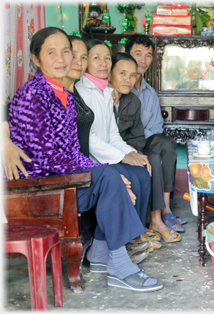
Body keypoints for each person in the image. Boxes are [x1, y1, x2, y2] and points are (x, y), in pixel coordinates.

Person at [6, 27, 162, 292]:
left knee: (113, 176)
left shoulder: (63, 95)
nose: (61, 58)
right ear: (35, 59)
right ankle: (120, 266)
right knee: (110, 178)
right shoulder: (33, 95)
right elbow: (46, 158)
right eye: (51, 52)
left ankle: (103, 253)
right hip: (36, 189)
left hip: (60, 181)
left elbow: (74, 151)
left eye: (65, 51)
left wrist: (101, 171)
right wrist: (102, 175)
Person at [75, 39, 156, 239]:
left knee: (143, 173)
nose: (103, 63)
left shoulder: (106, 92)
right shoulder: (81, 92)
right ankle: (122, 239)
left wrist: (133, 154)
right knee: (131, 178)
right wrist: (121, 157)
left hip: (107, 156)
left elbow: (113, 135)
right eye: (96, 58)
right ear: (85, 62)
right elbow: (89, 138)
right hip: (94, 160)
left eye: (107, 58)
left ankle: (136, 234)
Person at [109, 51, 181, 242]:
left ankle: (156, 219)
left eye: (132, 75)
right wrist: (125, 154)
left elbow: (139, 137)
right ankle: (140, 226)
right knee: (145, 163)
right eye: (122, 73)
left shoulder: (133, 101)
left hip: (128, 149)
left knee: (154, 158)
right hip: (108, 155)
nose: (128, 80)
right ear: (109, 73)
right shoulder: (101, 98)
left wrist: (132, 151)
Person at [124, 34, 186, 228]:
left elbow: (157, 126)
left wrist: (140, 140)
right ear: (127, 55)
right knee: (153, 158)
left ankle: (166, 208)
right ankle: (155, 217)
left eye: (148, 55)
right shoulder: (121, 87)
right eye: (138, 54)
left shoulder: (150, 92)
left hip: (144, 139)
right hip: (122, 141)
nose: (143, 60)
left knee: (167, 144)